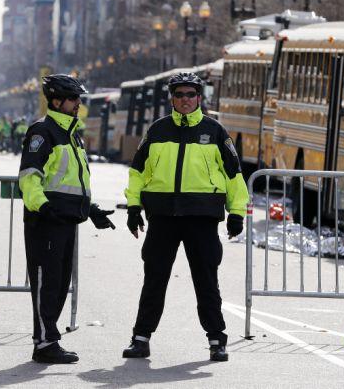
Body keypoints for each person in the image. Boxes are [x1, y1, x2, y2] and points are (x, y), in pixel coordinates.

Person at [122, 72, 249, 362]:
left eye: (190, 95)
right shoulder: (157, 130)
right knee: (154, 279)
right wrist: (133, 208)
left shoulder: (215, 131)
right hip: (163, 217)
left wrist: (236, 212)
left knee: (206, 282)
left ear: (199, 98)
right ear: (172, 98)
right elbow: (138, 173)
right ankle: (140, 339)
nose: (185, 100)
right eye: (179, 95)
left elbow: (233, 176)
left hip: (201, 218)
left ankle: (217, 340)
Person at [19, 74, 116, 364]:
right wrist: (43, 207)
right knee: (45, 282)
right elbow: (29, 178)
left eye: (80, 99)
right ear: (57, 100)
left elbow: (73, 180)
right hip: (46, 220)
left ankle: (49, 338)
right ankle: (44, 342)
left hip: (67, 220)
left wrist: (92, 209)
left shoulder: (72, 132)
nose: (79, 104)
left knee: (60, 283)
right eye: (75, 99)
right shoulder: (42, 131)